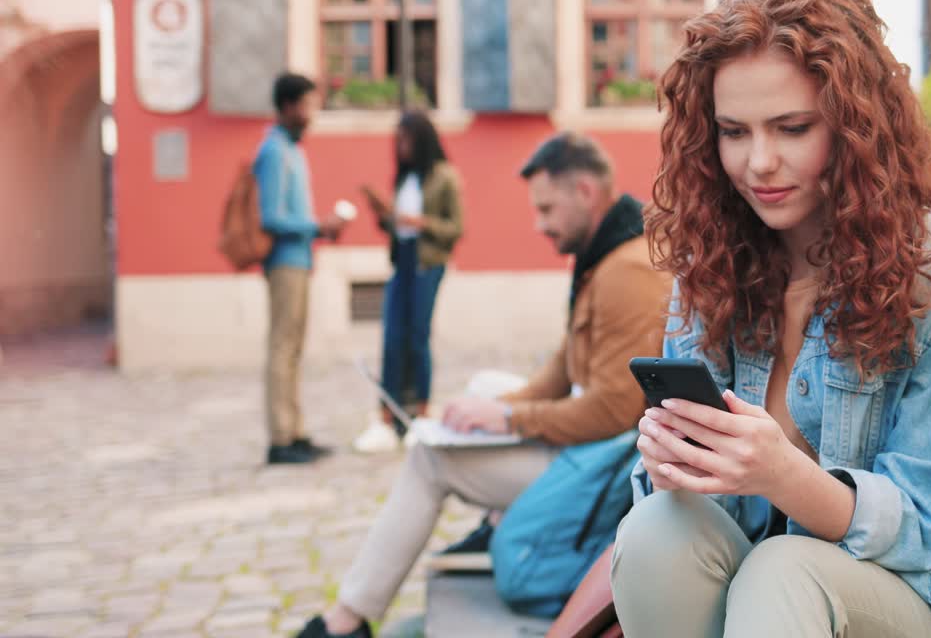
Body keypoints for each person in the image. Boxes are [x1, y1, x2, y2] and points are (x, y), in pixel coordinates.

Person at [610, 0, 931, 637]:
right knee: (657, 529)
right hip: (761, 608)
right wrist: (670, 465)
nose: (758, 163)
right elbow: (687, 517)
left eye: (792, 127)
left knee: (784, 570)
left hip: (929, 605)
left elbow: (927, 524)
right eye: (734, 131)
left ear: (856, 125)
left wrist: (779, 473)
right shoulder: (709, 268)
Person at [296, 132, 672, 638]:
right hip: (586, 448)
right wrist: (489, 411)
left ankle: (349, 619)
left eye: (546, 209)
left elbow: (612, 412)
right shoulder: (605, 256)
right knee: (484, 388)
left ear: (585, 191)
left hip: (600, 463)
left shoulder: (626, 270)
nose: (539, 224)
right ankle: (491, 522)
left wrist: (510, 420)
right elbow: (563, 368)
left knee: (430, 459)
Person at [353, 111, 464, 453]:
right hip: (401, 260)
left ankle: (421, 412)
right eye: (397, 140)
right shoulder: (404, 180)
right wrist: (384, 216)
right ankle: (388, 414)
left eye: (406, 139)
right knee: (391, 337)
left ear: (421, 139)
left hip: (427, 263)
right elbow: (396, 227)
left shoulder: (444, 177)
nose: (400, 147)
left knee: (417, 336)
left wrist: (419, 222)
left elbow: (455, 228)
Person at [255, 73, 349, 466]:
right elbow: (271, 217)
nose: (312, 114)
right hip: (284, 261)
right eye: (308, 105)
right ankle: (280, 437)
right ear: (290, 106)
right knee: (282, 348)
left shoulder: (293, 149)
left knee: (293, 349)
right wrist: (317, 225)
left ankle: (294, 429)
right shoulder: (274, 151)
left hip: (300, 259)